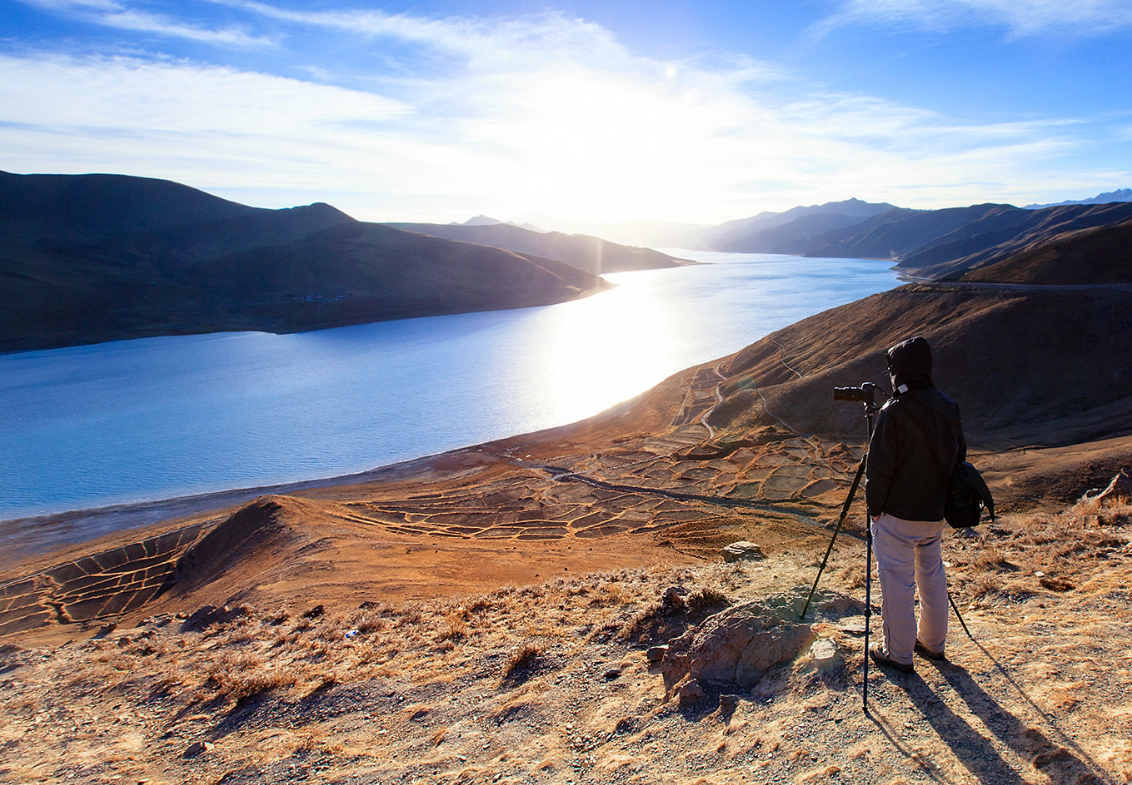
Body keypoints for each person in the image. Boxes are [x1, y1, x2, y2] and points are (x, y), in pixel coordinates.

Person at [865, 336, 966, 673]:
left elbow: (878, 468)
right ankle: (933, 645)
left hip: (897, 516)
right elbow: (959, 458)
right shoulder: (948, 406)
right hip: (933, 514)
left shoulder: (894, 412)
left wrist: (875, 508)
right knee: (932, 577)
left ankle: (899, 654)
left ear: (900, 372)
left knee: (896, 581)